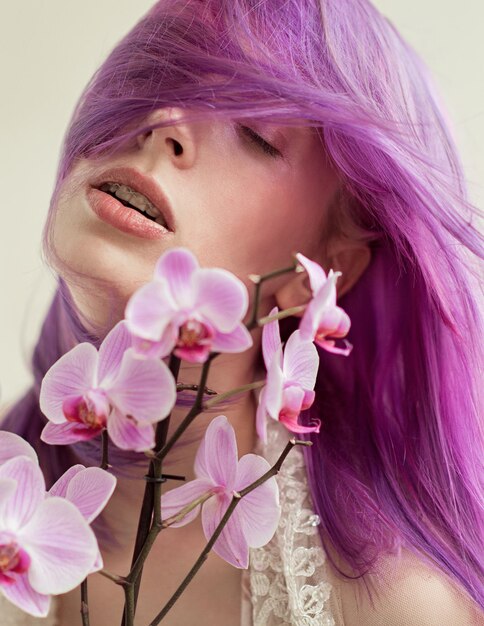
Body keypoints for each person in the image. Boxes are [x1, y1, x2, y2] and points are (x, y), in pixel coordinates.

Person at [1, 0, 483, 624]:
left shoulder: (390, 605)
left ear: (317, 276)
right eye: (152, 76)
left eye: (254, 131)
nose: (162, 120)